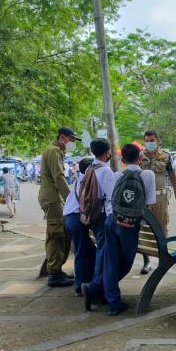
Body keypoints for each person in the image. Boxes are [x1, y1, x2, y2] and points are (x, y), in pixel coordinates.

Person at [83, 143, 156, 316]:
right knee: (124, 264)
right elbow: (150, 204)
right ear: (140, 158)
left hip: (111, 222)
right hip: (129, 227)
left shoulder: (115, 175)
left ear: (122, 160)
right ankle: (94, 288)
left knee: (111, 263)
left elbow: (110, 200)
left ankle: (111, 302)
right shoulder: (148, 174)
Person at [38, 127, 81, 287]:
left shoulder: (56, 151)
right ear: (63, 137)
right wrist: (71, 199)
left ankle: (57, 270)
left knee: (62, 233)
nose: (72, 143)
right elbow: (59, 177)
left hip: (54, 198)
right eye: (71, 140)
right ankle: (54, 274)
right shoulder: (54, 151)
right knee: (56, 235)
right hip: (52, 199)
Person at [140, 130, 176, 274]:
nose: (149, 143)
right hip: (144, 199)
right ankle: (146, 262)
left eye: (152, 140)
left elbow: (173, 177)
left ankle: (162, 260)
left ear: (158, 140)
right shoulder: (140, 156)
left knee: (162, 228)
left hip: (161, 198)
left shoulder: (166, 156)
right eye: (147, 140)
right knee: (144, 228)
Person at [81, 139, 115, 304]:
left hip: (92, 215)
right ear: (107, 152)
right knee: (103, 252)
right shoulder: (106, 171)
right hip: (102, 216)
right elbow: (110, 197)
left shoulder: (90, 167)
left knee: (101, 250)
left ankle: (97, 287)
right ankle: (95, 289)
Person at [63, 158, 95, 296]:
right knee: (81, 253)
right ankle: (79, 286)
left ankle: (89, 281)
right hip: (76, 220)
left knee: (91, 251)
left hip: (70, 219)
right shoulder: (85, 181)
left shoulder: (80, 179)